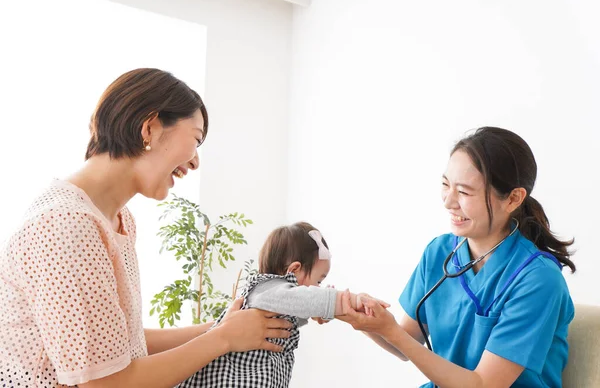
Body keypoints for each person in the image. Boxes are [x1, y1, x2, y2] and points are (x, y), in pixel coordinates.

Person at [0, 68, 293, 388]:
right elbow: (103, 383)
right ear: (150, 127)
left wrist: (220, 327)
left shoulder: (116, 220)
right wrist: (222, 339)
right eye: (196, 138)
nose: (196, 161)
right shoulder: (66, 226)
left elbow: (119, 345)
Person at [337, 127, 575, 388]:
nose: (448, 202)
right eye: (445, 185)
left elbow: (483, 384)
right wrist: (359, 317)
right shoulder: (439, 252)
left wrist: (392, 331)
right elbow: (406, 342)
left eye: (464, 192)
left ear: (513, 199)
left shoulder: (538, 279)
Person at [180, 221, 388, 388]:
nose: (318, 288)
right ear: (294, 270)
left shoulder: (275, 303)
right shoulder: (266, 290)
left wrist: (319, 312)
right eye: (318, 281)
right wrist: (352, 301)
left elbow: (298, 309)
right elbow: (311, 299)